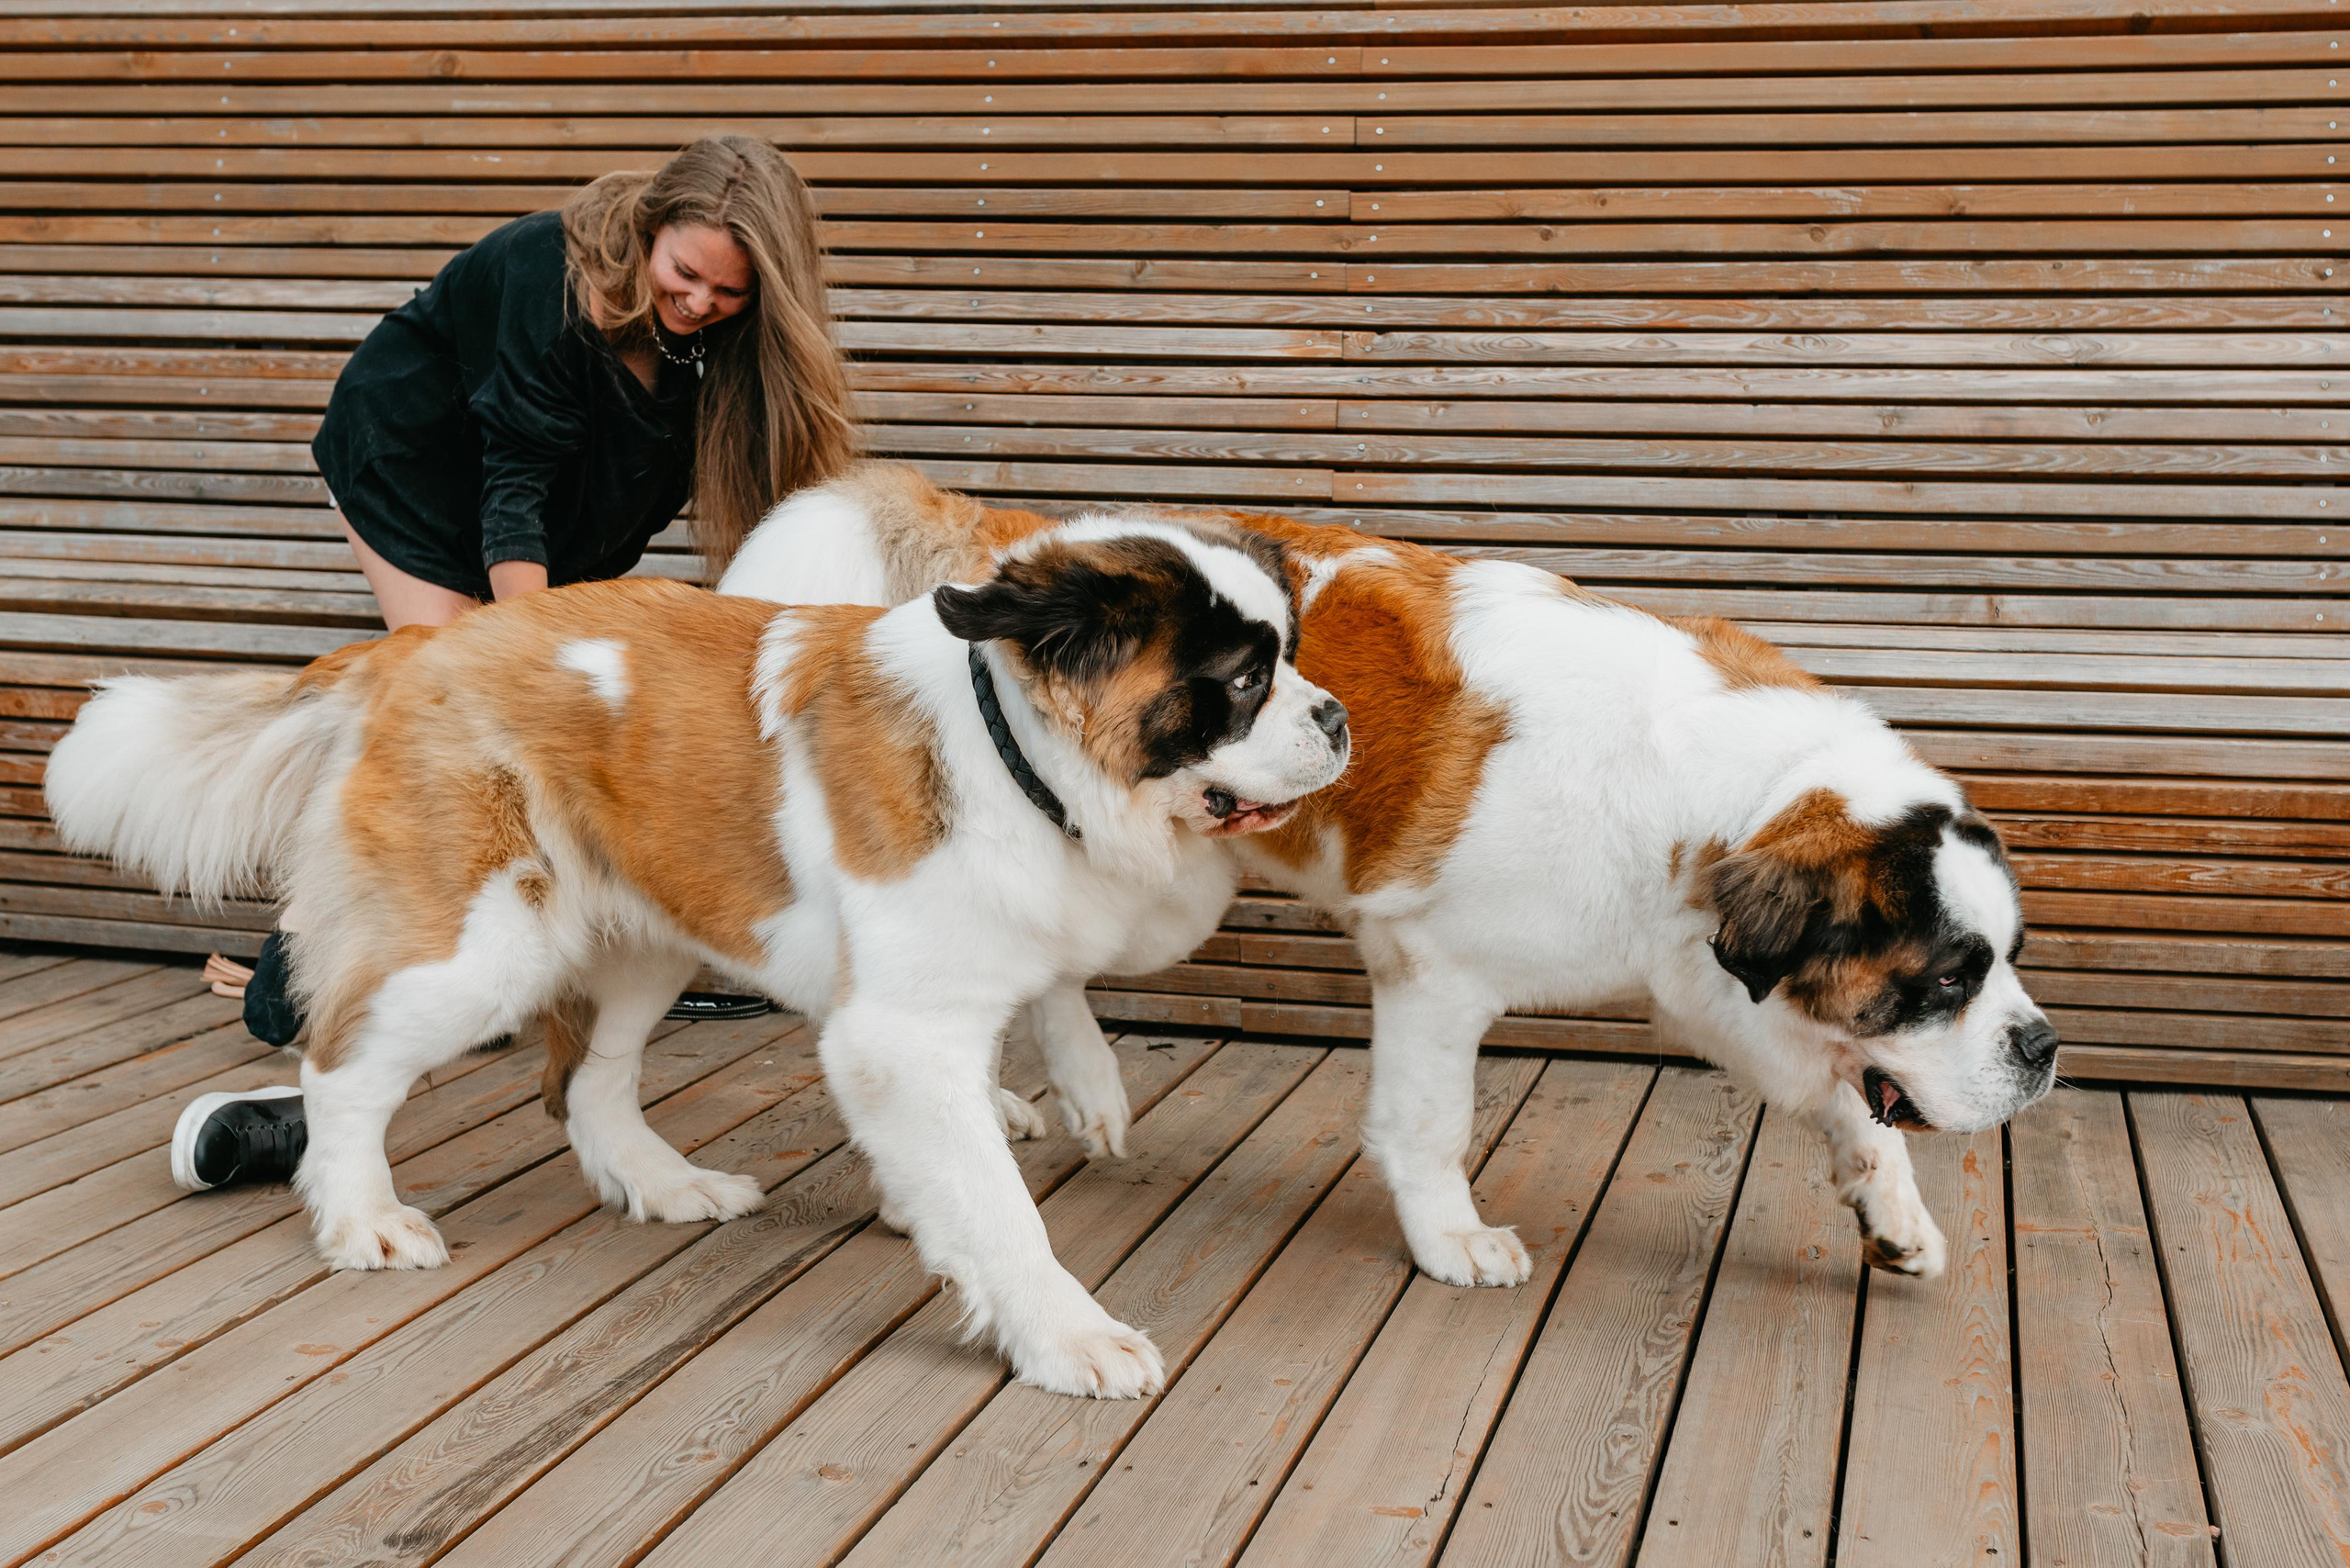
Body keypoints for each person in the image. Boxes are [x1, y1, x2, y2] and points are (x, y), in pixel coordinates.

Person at [186, 139, 853, 1179]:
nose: (700, 304)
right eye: (684, 277)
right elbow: (513, 486)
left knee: (510, 748)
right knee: (451, 730)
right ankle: (298, 998)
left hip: (556, 523)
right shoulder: (543, 273)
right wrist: (529, 661)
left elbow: (769, 492)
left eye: (730, 292)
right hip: (418, 473)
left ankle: (488, 983)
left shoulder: (730, 332)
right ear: (647, 235)